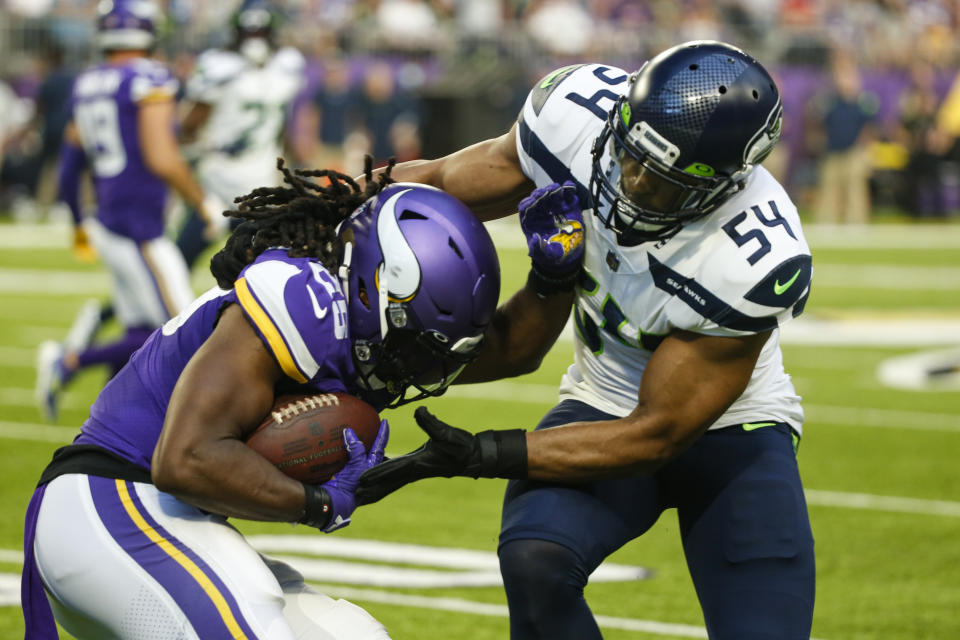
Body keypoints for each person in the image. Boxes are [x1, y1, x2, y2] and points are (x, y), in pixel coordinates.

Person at [356, 40, 816, 639]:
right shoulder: (576, 114)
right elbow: (438, 181)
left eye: (662, 184)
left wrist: (482, 453)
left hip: (732, 430)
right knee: (535, 560)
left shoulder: (756, 258)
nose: (632, 183)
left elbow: (657, 435)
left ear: (723, 185)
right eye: (630, 156)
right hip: (601, 396)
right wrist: (325, 205)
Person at [22, 152, 554, 639]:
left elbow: (510, 352)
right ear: (372, 287)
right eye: (418, 346)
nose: (422, 368)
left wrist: (556, 278)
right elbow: (186, 459)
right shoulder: (302, 299)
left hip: (170, 517)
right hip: (110, 503)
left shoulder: (371, 328)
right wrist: (317, 504)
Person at [35, 0, 221, 421]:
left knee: (142, 330)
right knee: (185, 332)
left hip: (107, 217)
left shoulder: (88, 83)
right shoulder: (148, 78)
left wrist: (78, 221)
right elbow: (161, 157)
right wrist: (202, 201)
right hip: (139, 226)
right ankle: (193, 426)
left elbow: (69, 165)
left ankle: (91, 395)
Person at [175, 0, 307, 268]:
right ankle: (107, 312)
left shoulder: (284, 66)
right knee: (177, 262)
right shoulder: (221, 66)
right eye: (250, 33)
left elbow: (280, 124)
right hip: (217, 186)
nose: (254, 40)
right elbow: (189, 127)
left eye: (259, 33)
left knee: (267, 269)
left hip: (258, 189)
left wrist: (296, 167)